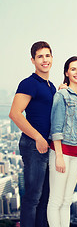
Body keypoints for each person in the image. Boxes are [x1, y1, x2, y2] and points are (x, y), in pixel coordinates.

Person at [9, 41, 55, 227]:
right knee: (33, 198)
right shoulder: (28, 83)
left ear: (52, 58)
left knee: (45, 199)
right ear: (33, 60)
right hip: (33, 145)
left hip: (46, 146)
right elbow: (14, 113)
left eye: (47, 56)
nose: (44, 60)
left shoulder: (50, 86)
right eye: (40, 56)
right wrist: (38, 137)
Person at [47, 56, 77, 227]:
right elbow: (56, 128)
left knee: (66, 201)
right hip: (61, 152)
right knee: (55, 200)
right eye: (73, 69)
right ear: (66, 72)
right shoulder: (62, 95)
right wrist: (58, 156)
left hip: (76, 154)